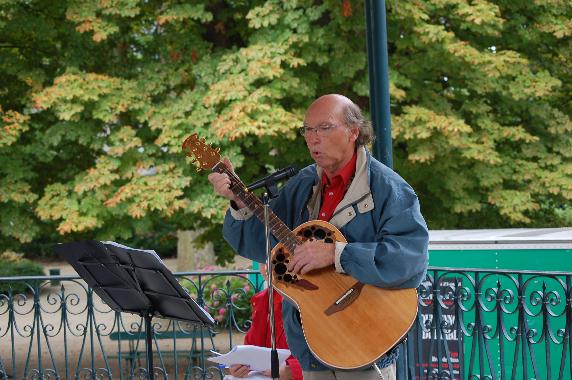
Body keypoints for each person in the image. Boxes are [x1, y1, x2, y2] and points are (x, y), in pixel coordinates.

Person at [209, 94, 429, 380]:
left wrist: (336, 254)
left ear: (353, 132)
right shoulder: (304, 184)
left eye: (324, 128)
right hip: (312, 345)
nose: (313, 138)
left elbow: (409, 260)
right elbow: (261, 245)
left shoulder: (387, 188)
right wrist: (239, 201)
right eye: (307, 130)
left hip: (366, 341)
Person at [227, 264, 303, 380]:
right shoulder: (264, 299)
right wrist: (240, 364)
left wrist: (294, 370)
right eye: (262, 261)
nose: (267, 267)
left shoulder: (313, 298)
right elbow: (252, 347)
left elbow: (333, 353)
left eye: (272, 259)